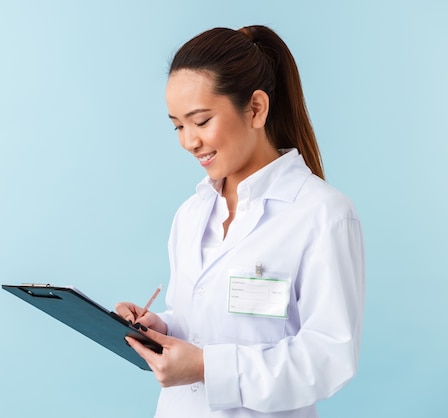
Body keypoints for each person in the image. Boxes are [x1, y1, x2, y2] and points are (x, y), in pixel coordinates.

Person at [116, 25, 365, 418]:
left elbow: (329, 357)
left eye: (200, 121)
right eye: (178, 125)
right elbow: (201, 321)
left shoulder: (322, 214)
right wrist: (160, 327)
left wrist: (205, 367)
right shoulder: (192, 214)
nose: (188, 141)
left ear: (255, 108)